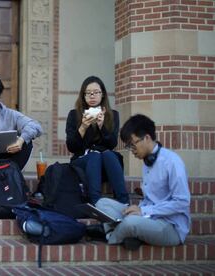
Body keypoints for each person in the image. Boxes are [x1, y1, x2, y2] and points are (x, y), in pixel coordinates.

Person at [87, 114, 191, 251]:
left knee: (130, 223)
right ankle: (130, 235)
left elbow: (182, 202)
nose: (131, 150)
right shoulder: (147, 163)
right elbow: (150, 201)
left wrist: (143, 211)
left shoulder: (172, 162)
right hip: (148, 219)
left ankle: (111, 237)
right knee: (102, 203)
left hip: (170, 227)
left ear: (147, 138)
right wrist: (136, 209)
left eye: (132, 144)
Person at [65, 76, 129, 204]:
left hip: (106, 165)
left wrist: (102, 126)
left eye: (96, 92)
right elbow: (72, 147)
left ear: (103, 94)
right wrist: (83, 127)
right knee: (94, 156)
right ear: (83, 96)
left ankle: (124, 202)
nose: (92, 96)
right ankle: (95, 202)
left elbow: (112, 144)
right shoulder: (74, 115)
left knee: (109, 155)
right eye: (88, 93)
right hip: (83, 163)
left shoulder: (112, 115)